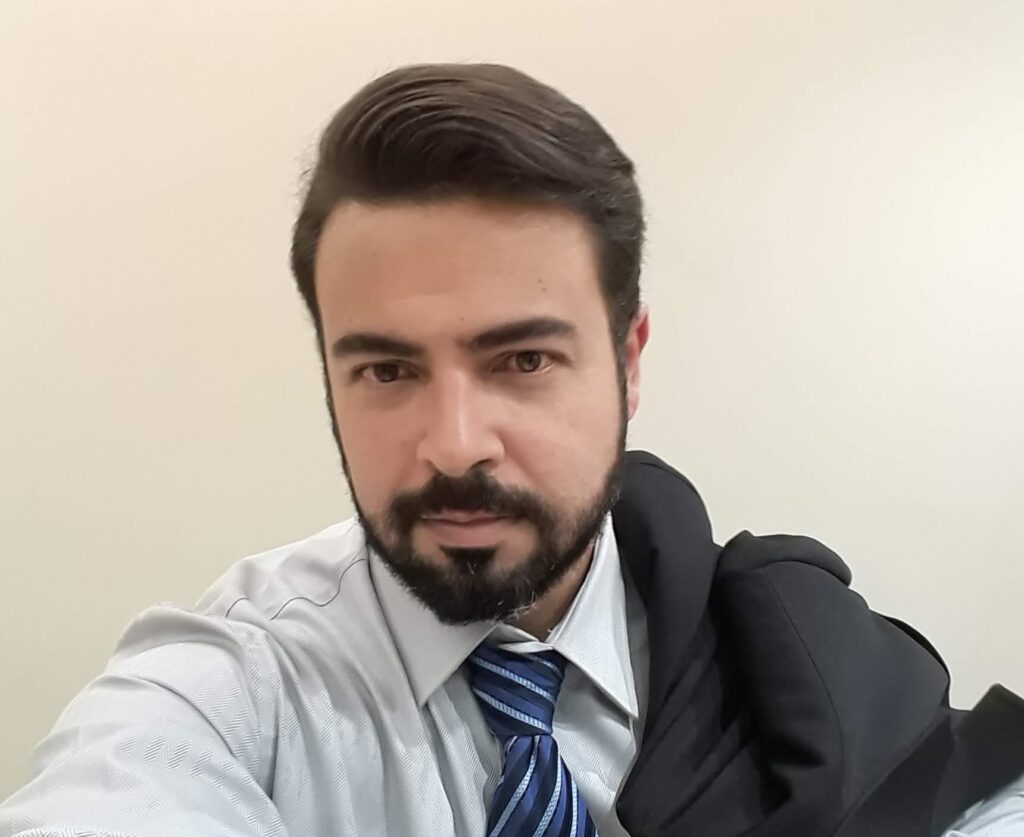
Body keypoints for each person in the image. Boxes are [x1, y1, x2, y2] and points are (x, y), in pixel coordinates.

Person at [2, 63, 1022, 837]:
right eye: (386, 370)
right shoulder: (237, 684)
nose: (454, 447)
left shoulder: (779, 652)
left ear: (628, 363)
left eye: (524, 360)